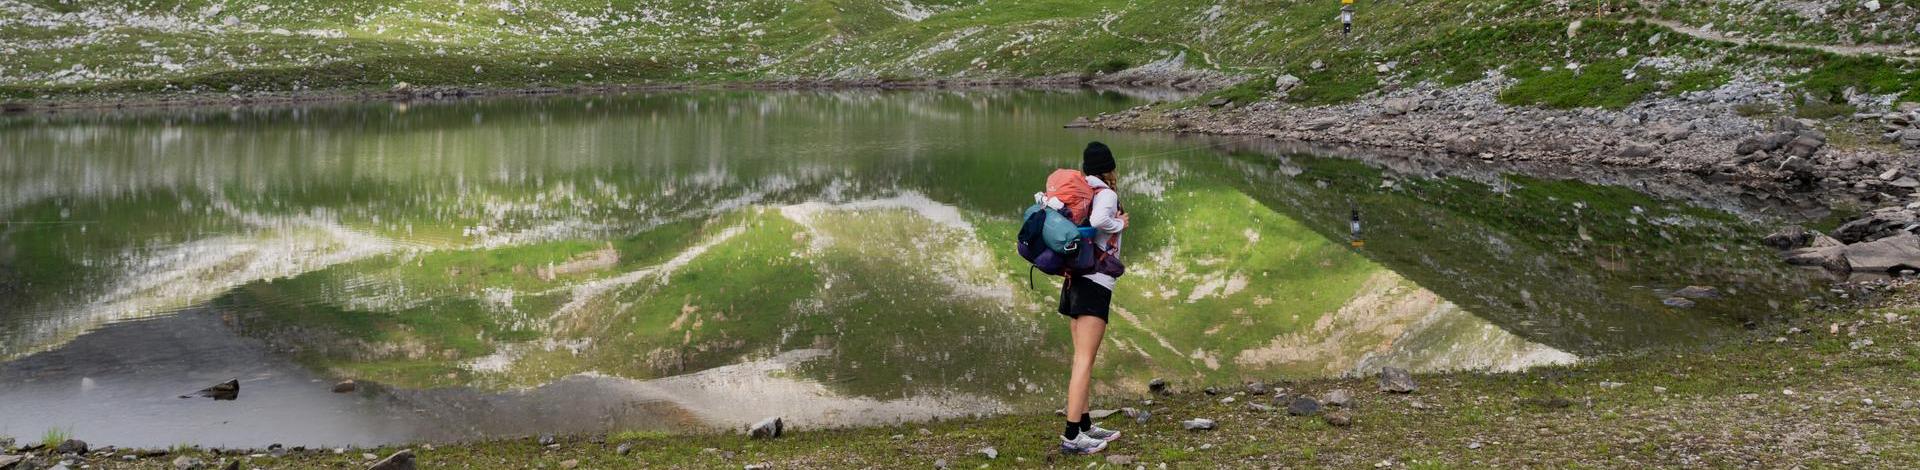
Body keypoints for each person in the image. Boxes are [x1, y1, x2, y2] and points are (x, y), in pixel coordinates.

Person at [1058, 142, 1128, 455]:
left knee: (1081, 359)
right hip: (1095, 283)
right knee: (1085, 361)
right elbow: (1101, 222)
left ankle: (1086, 425)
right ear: (1109, 168)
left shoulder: (1081, 192)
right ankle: (1072, 437)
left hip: (1074, 282)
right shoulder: (1106, 195)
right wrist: (1120, 223)